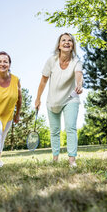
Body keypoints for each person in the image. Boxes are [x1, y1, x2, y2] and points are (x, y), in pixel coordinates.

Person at [35, 33, 83, 167]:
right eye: (64, 40)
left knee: (70, 128)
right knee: (54, 131)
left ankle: (72, 160)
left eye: (70, 41)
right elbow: (43, 81)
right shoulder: (51, 61)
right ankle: (55, 159)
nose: (67, 42)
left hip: (70, 99)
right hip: (53, 101)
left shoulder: (76, 61)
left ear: (72, 45)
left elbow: (79, 75)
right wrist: (38, 99)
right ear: (59, 45)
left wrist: (79, 85)